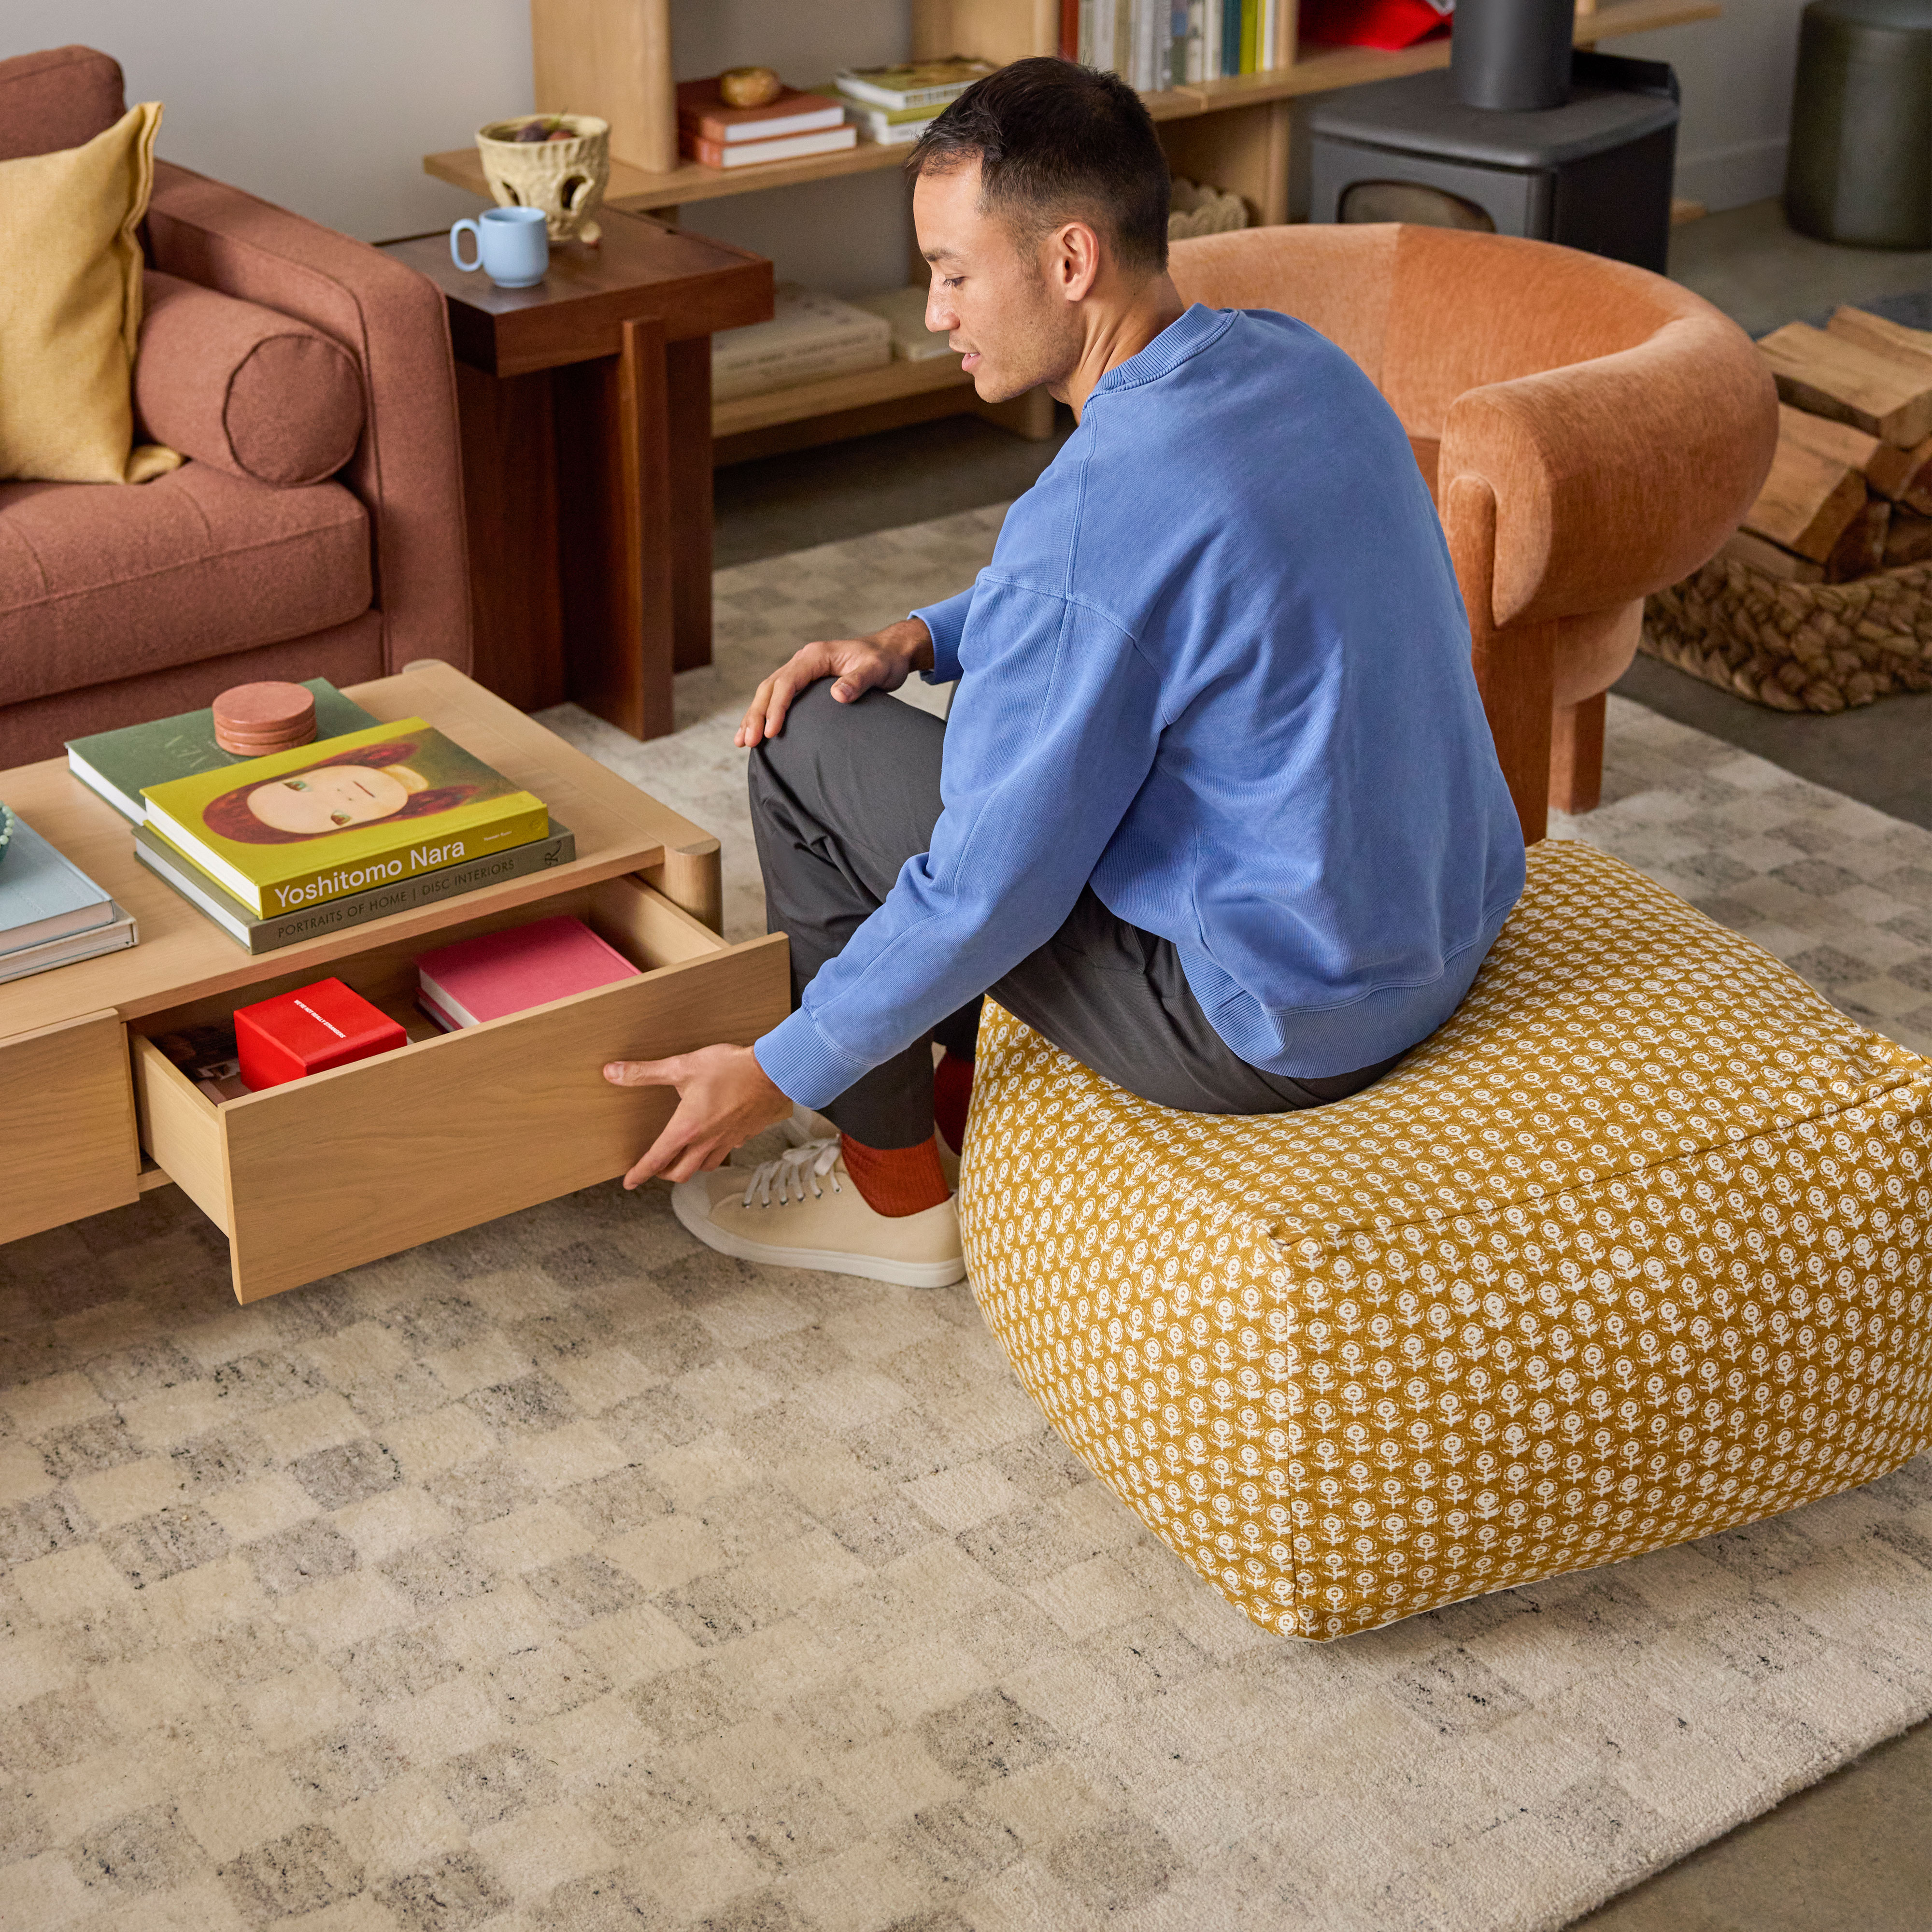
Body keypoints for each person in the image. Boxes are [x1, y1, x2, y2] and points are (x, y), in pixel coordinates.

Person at [602, 57, 1526, 1288]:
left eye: (951, 272)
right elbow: (1163, 587)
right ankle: (955, 1078)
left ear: (1070, 260)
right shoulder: (1300, 364)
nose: (934, 311)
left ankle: (890, 1189)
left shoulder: (1084, 517)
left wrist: (777, 1065)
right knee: (1025, 733)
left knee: (804, 744)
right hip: (1441, 931)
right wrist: (924, 636)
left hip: (1276, 1026)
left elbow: (988, 890)